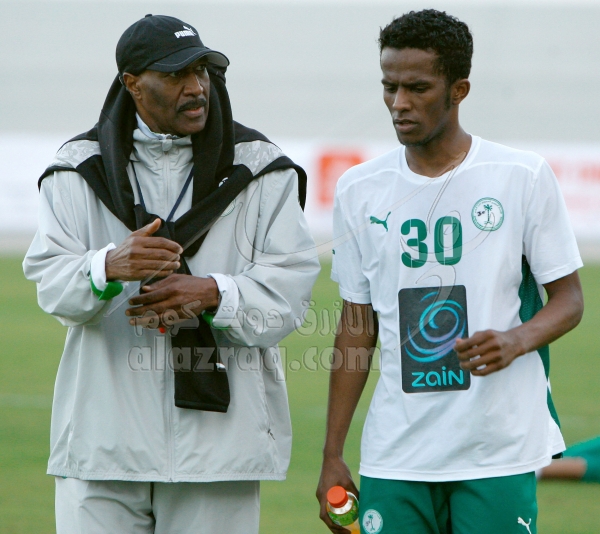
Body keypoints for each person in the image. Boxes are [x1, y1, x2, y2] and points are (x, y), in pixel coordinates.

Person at [23, 14, 319, 534]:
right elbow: (52, 286)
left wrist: (215, 293)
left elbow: (289, 294)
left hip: (219, 453)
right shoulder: (76, 169)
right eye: (176, 74)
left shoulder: (261, 170)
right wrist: (106, 267)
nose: (197, 87)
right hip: (103, 447)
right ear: (133, 84)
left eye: (202, 70)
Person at [316, 9, 584, 534]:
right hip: (396, 451)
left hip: (496, 448)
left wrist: (515, 340)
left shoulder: (520, 176)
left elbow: (569, 300)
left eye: (417, 88)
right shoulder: (358, 189)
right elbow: (356, 323)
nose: (399, 103)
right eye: (389, 86)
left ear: (459, 90)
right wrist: (332, 453)